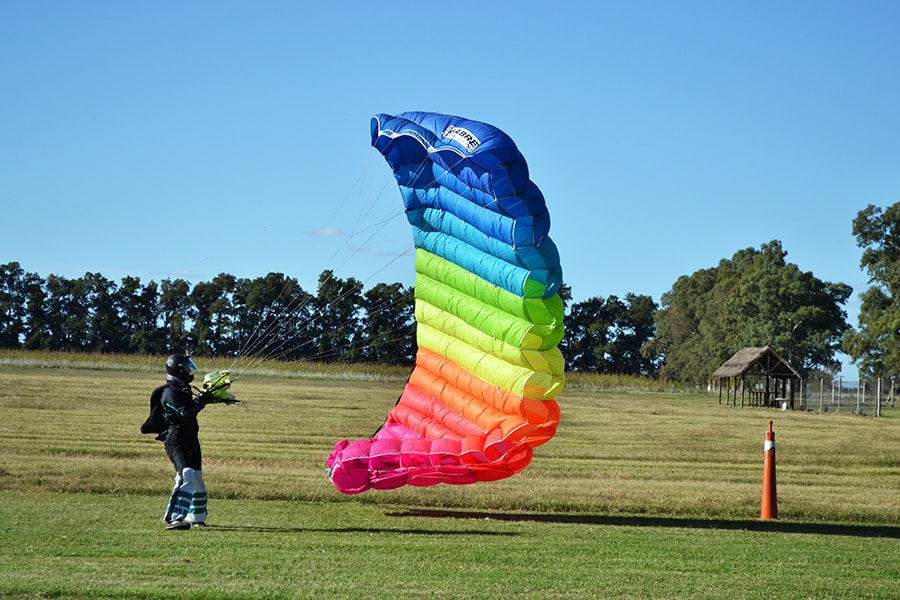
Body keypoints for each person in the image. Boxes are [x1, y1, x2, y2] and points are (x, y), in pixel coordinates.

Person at [157, 354, 215, 530]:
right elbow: (186, 413)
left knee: (197, 477)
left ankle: (197, 517)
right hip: (176, 440)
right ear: (179, 370)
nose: (190, 371)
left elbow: (192, 408)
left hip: (191, 439)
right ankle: (173, 517)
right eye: (187, 368)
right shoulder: (170, 392)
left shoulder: (183, 389)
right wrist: (202, 400)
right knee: (186, 474)